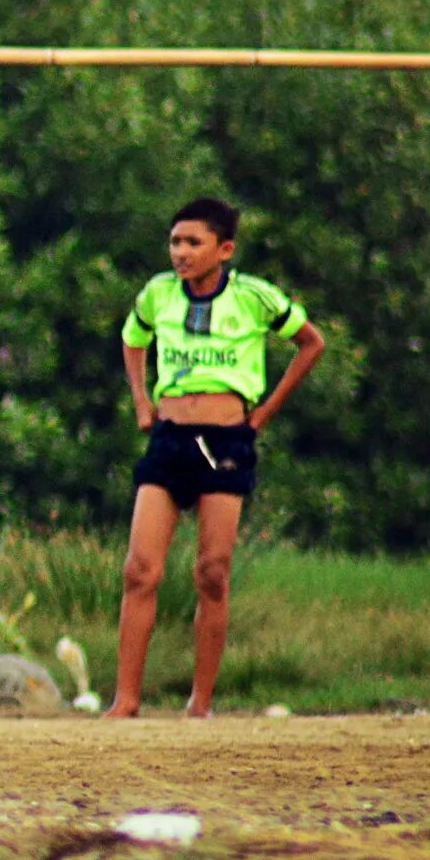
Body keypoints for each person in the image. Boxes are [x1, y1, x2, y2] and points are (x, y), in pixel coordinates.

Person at [105, 196, 325, 719]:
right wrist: (141, 398)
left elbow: (310, 343)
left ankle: (200, 702)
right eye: (175, 242)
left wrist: (267, 409)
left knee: (212, 570)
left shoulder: (253, 297)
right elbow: (133, 339)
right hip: (170, 437)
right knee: (140, 569)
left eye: (193, 243)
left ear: (223, 249)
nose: (180, 252)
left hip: (225, 443)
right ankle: (126, 700)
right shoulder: (158, 294)